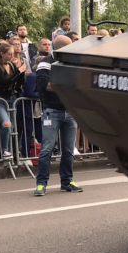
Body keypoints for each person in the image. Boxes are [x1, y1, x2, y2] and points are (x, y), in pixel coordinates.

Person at [34, 35, 83, 196]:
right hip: (52, 112)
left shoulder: (71, 63)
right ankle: (41, 184)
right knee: (47, 149)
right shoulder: (45, 63)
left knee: (69, 150)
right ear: (61, 48)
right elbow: (45, 86)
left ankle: (67, 182)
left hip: (70, 111)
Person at [0, 41, 24, 161]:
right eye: (9, 54)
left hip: (12, 98)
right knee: (6, 123)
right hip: (0, 99)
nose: (12, 57)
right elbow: (5, 81)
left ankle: (11, 149)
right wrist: (19, 72)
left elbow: (18, 82)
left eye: (13, 54)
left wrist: (21, 72)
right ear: (2, 54)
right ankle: (4, 150)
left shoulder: (12, 65)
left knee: (12, 127)